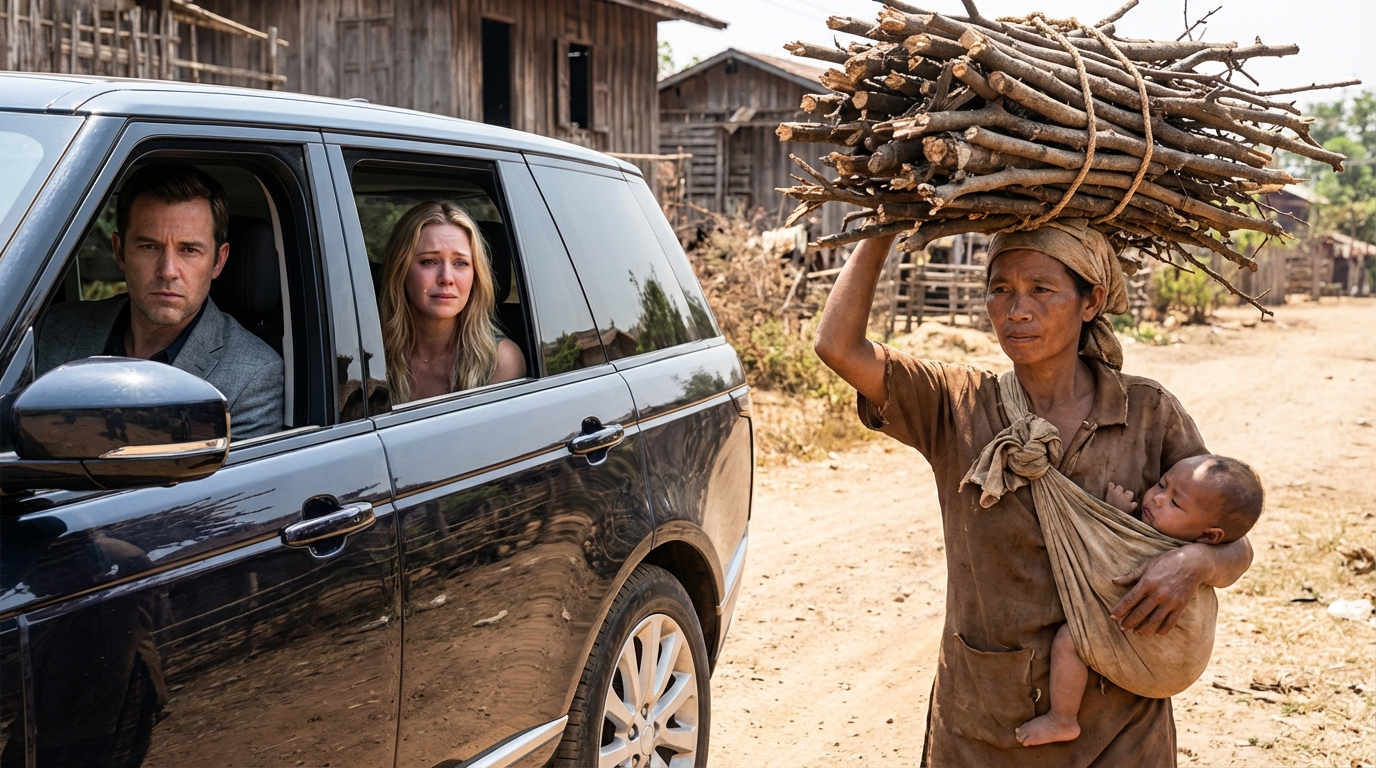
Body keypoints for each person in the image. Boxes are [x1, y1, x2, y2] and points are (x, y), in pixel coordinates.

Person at [813, 219, 1253, 766]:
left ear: (1091, 301)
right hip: (988, 718)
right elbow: (837, 346)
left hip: (1122, 725)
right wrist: (883, 226)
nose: (1017, 310)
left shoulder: (1147, 412)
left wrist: (1195, 564)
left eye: (1041, 289)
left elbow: (1230, 541)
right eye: (1000, 289)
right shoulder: (957, 404)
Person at [1017, 454, 1265, 747]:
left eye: (1175, 503)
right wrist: (1118, 517)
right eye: (1161, 484)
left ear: (1209, 537)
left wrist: (1110, 518)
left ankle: (1062, 720)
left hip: (1167, 656)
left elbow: (1111, 567)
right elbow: (1126, 541)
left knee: (1069, 641)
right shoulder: (1179, 527)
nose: (1158, 499)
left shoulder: (1180, 550)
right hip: (1173, 664)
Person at [36, 164, 283, 440]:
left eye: (189, 250)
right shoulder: (56, 329)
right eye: (149, 246)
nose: (168, 271)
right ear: (120, 252)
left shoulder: (253, 376)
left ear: (218, 261)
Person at [378, 201, 524, 403]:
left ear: (475, 275)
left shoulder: (500, 362)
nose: (446, 278)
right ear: (400, 270)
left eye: (460, 263)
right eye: (429, 261)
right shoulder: (367, 352)